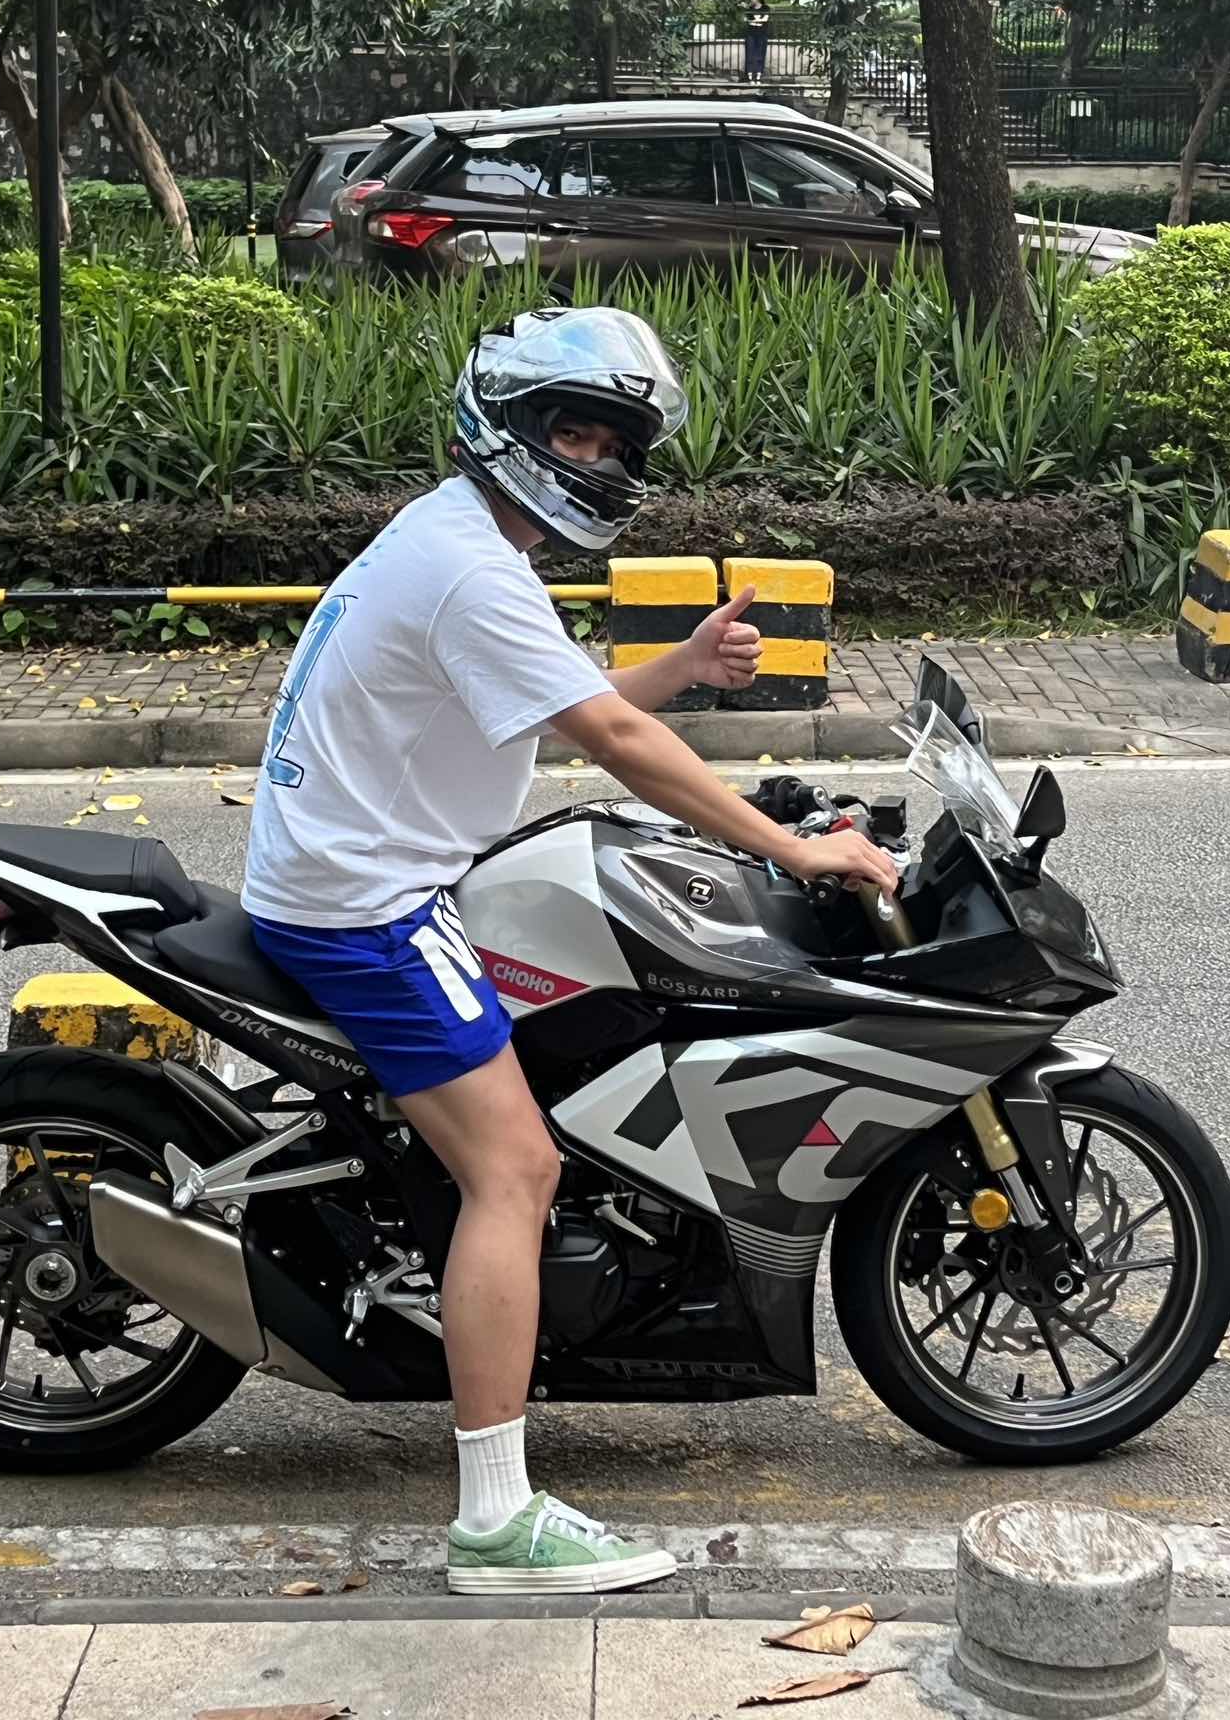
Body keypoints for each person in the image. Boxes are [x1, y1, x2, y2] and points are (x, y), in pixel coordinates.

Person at [241, 306, 898, 1595]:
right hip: (367, 904)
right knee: (517, 1169)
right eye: (574, 434)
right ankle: (495, 1519)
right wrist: (792, 849)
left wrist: (683, 665)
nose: (596, 461)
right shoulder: (474, 568)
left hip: (366, 867)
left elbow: (566, 706)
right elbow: (613, 742)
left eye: (613, 442)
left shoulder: (461, 537)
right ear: (511, 429)